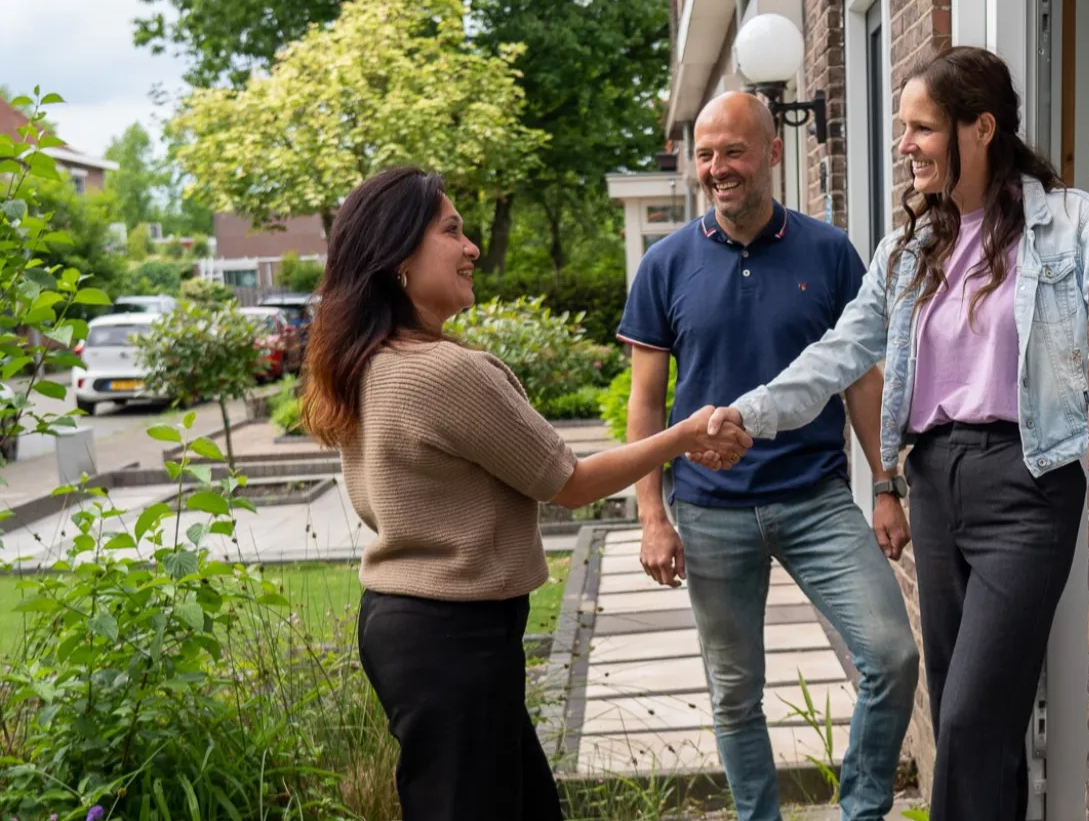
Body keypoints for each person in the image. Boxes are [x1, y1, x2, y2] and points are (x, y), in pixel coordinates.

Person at [707, 47, 1089, 821]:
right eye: (903, 128)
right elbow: (839, 353)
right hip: (938, 482)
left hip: (1029, 482)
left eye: (921, 127)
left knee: (969, 716)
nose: (905, 144)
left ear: (979, 128)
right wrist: (751, 411)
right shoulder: (909, 249)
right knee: (970, 718)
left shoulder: (1068, 226)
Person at [299, 167, 752, 821]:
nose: (472, 246)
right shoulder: (445, 372)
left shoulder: (364, 359)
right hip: (453, 638)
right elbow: (569, 483)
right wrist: (682, 434)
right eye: (451, 230)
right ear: (399, 255)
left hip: (409, 626)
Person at [620, 92, 919, 821]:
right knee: (734, 691)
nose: (718, 169)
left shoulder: (828, 252)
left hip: (814, 499)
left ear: (772, 153)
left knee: (892, 656)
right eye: (705, 155)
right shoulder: (665, 265)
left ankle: (863, 809)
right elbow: (646, 403)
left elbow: (858, 375)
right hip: (708, 509)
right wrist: (651, 515)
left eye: (734, 151)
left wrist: (884, 485)